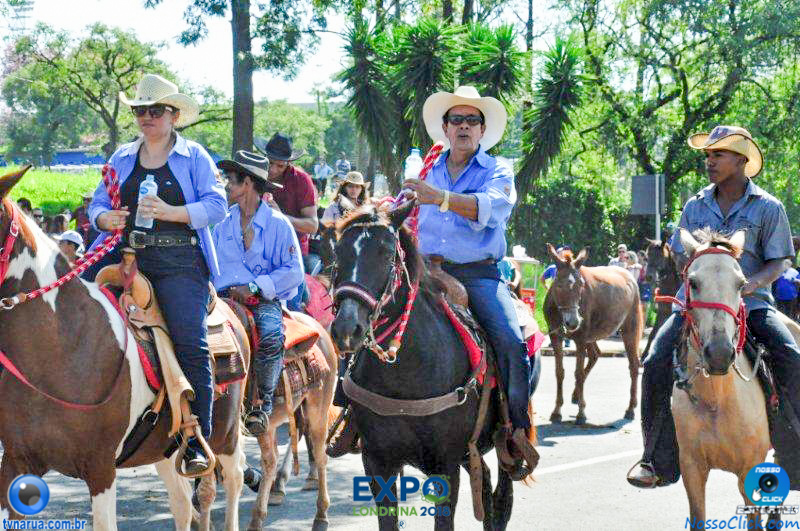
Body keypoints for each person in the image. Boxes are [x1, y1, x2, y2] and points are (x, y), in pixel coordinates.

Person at [328, 86, 537, 480]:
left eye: (471, 120)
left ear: (481, 130)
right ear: (444, 127)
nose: (463, 126)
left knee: (510, 339)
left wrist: (438, 197)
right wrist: (389, 210)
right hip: (421, 268)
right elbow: (405, 209)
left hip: (478, 273)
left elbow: (490, 211)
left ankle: (514, 430)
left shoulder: (498, 170)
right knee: (364, 315)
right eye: (456, 120)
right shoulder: (425, 168)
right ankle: (351, 414)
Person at [627, 125, 800, 488]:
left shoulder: (768, 207)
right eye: (707, 155)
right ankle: (655, 461)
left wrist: (750, 284)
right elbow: (679, 253)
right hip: (697, 307)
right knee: (656, 360)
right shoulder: (695, 205)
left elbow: (780, 260)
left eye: (718, 154)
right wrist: (693, 268)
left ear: (741, 160)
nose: (710, 161)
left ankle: (793, 458)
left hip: (750, 304)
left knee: (790, 356)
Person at [86, 73, 227, 475]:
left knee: (190, 340)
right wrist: (104, 217)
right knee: (70, 307)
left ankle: (197, 438)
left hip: (179, 259)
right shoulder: (120, 158)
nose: (146, 117)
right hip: (124, 254)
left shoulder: (196, 156)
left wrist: (173, 213)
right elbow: (97, 206)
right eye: (139, 110)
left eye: (155, 110)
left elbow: (217, 207)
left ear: (174, 115)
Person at [212, 150, 303, 435]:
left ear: (248, 184)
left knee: (272, 335)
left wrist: (254, 286)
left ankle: (261, 405)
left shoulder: (278, 224)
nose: (227, 186)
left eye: (232, 181)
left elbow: (294, 271)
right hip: (223, 299)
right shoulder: (222, 223)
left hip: (263, 300)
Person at [260, 133, 318, 308]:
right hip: (257, 252)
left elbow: (313, 225)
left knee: (291, 311)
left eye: (280, 165)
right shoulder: (255, 173)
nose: (273, 169)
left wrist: (282, 218)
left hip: (291, 254)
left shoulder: (301, 180)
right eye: (270, 163)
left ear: (289, 163)